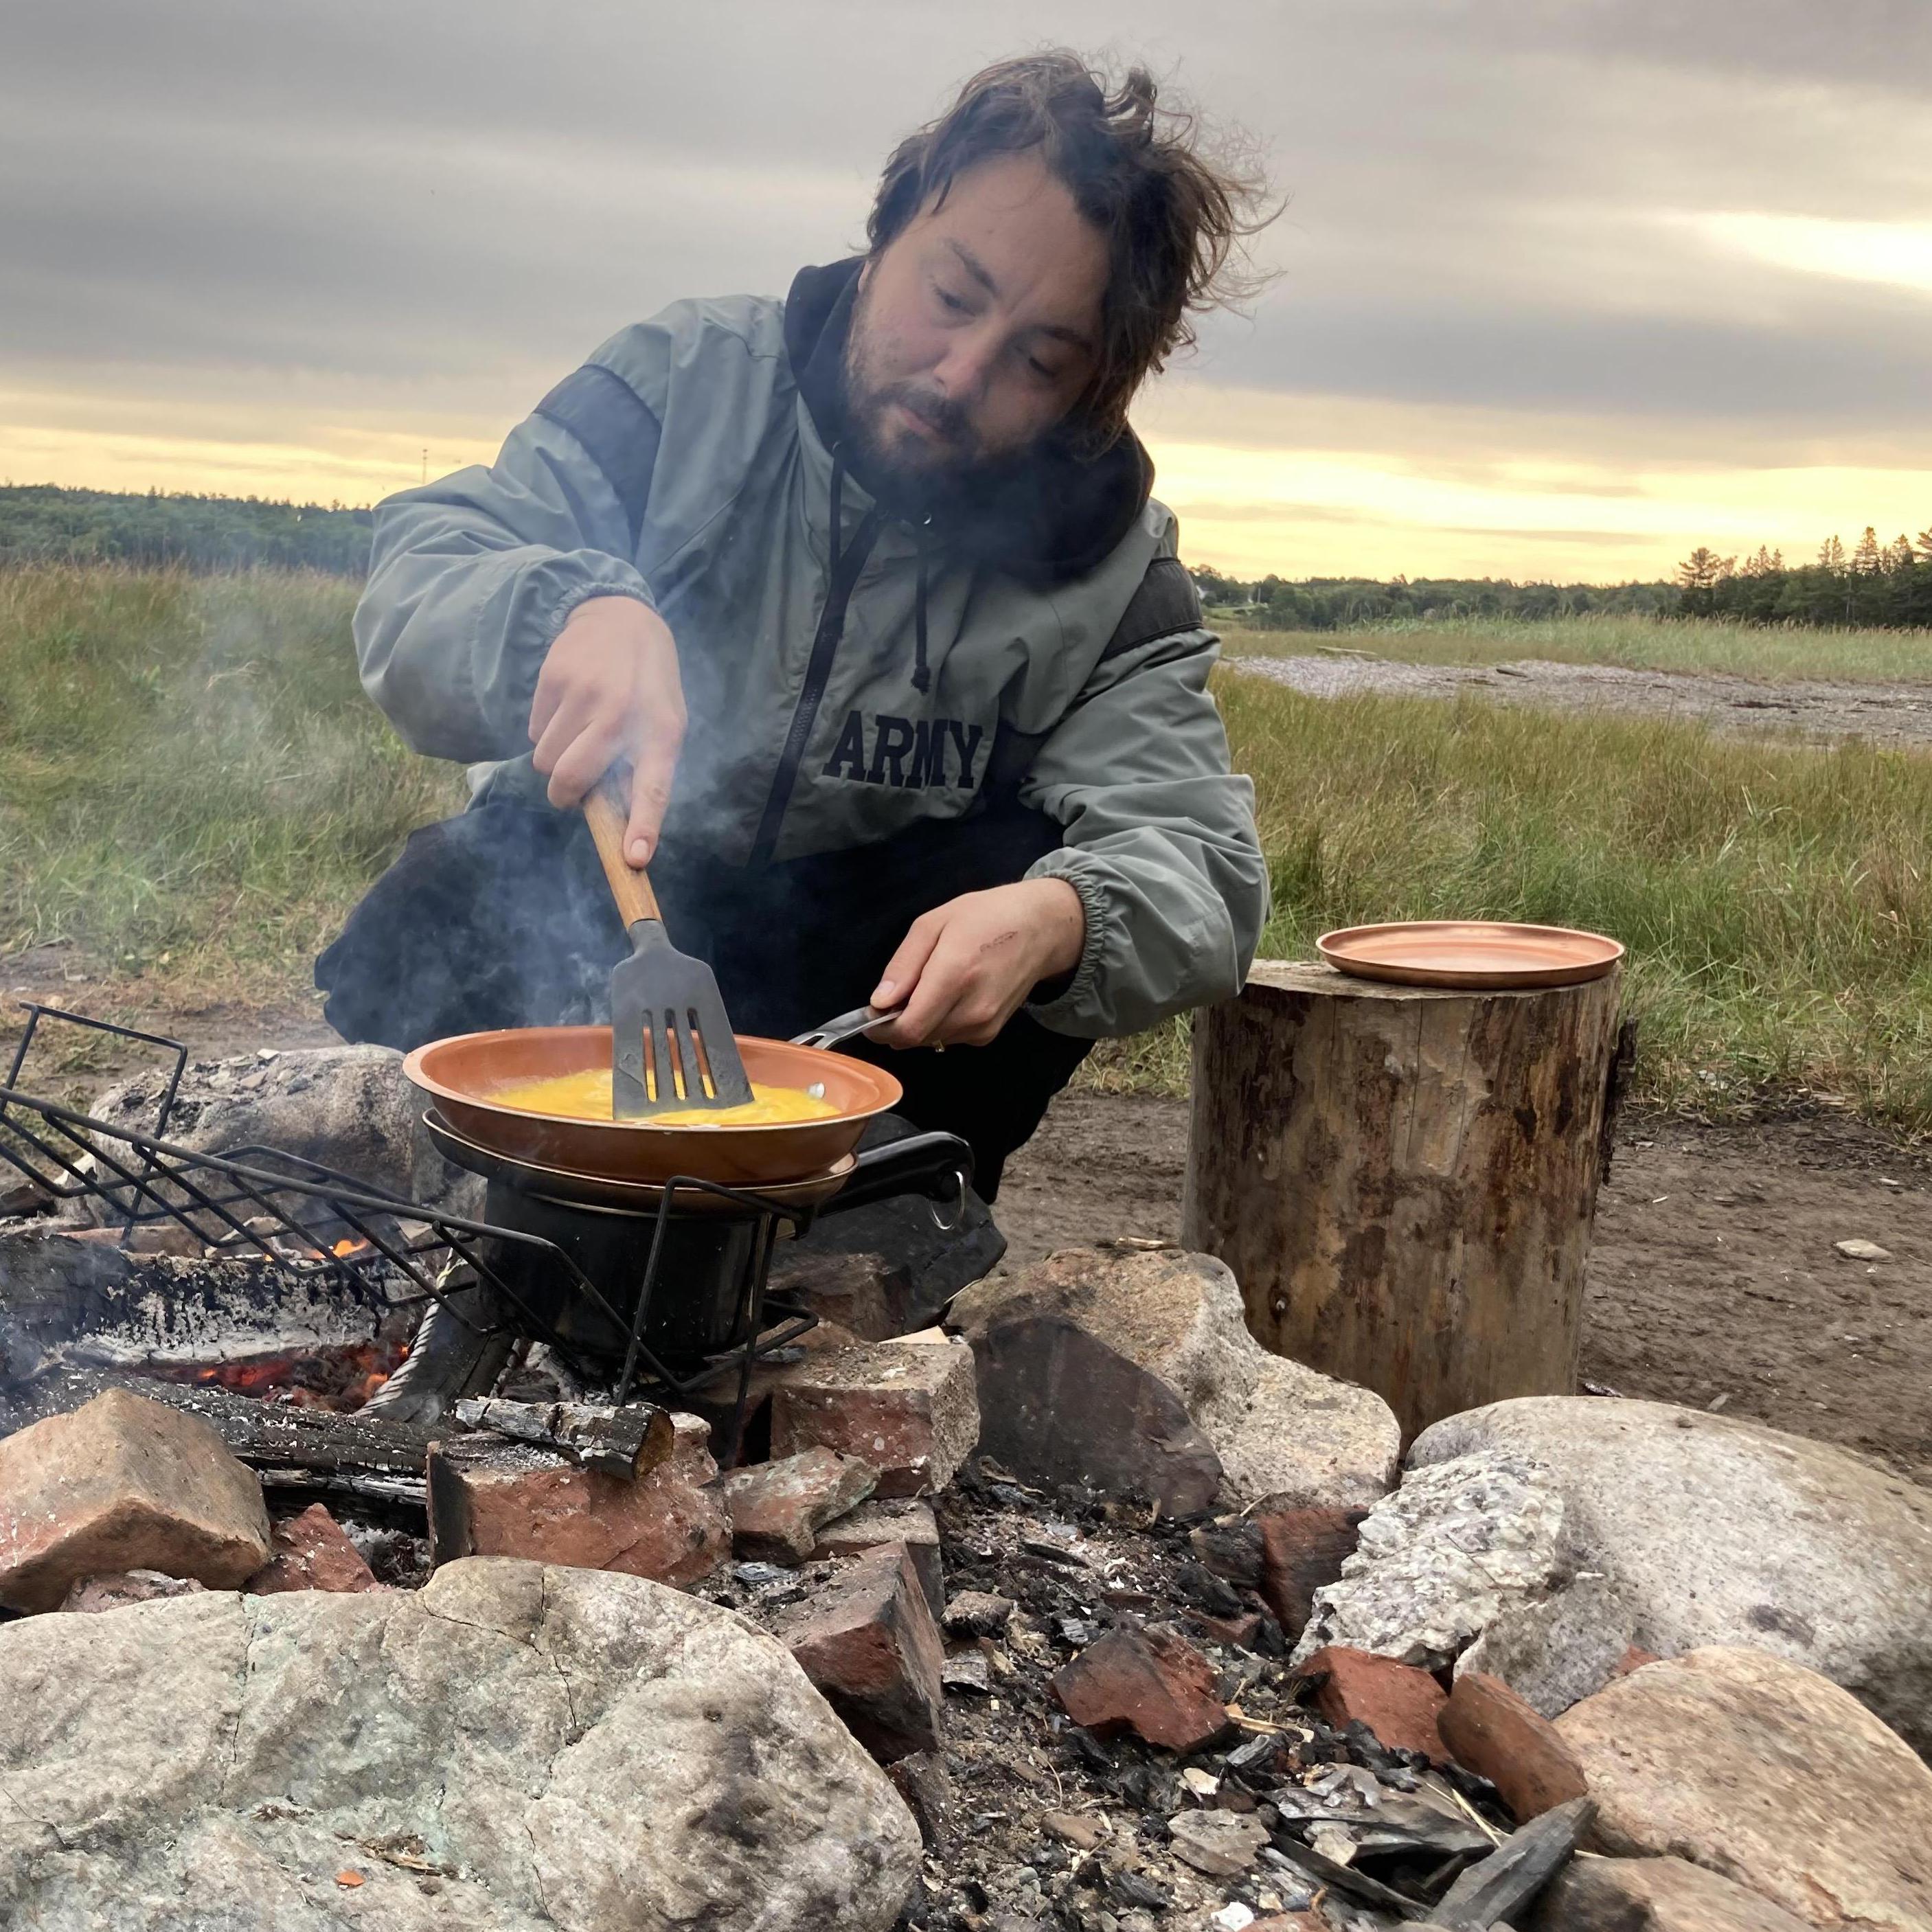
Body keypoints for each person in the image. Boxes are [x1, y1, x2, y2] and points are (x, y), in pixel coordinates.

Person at [319, 51, 1272, 1203]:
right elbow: (429, 565)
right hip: (597, 918)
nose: (961, 373)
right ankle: (415, 1222)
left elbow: (1204, 869)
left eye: (1036, 360)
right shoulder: (684, 385)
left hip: (860, 1021)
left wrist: (1057, 916)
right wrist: (567, 607)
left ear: (1092, 393)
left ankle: (857, 1275)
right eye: (953, 295)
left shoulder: (1109, 568)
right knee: (452, 904)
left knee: (1026, 876)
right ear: (887, 230)